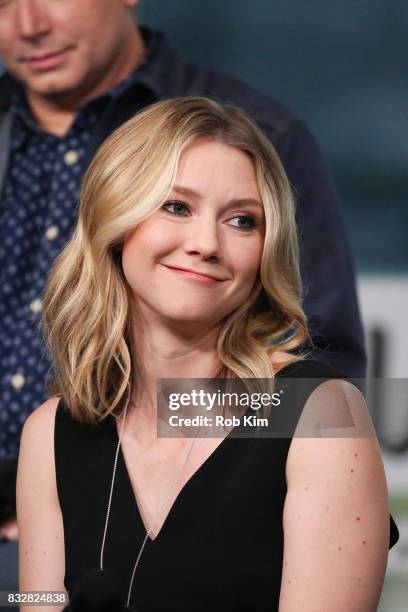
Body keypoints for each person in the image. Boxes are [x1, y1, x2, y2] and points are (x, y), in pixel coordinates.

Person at [0, 0, 365, 581]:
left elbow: (329, 374)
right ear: (111, 230)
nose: (29, 24)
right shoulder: (51, 432)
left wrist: (174, 436)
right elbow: (41, 603)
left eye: (242, 220)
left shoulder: (263, 134)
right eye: (175, 207)